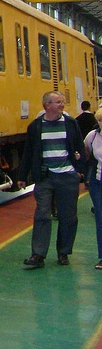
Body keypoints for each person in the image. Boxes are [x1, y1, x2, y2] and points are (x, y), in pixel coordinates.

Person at [17, 91, 86, 268]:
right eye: (58, 102)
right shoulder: (36, 127)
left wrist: (79, 171)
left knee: (68, 217)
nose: (62, 105)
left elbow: (79, 146)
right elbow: (29, 152)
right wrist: (22, 176)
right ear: (47, 105)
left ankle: (63, 252)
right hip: (45, 177)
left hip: (67, 176)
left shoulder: (71, 124)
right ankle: (38, 255)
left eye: (62, 102)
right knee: (42, 214)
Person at [84, 109, 102, 269]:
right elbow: (86, 154)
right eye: (101, 120)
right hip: (99, 183)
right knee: (101, 218)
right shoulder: (92, 136)